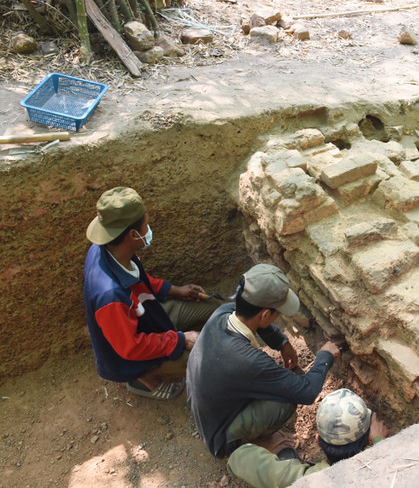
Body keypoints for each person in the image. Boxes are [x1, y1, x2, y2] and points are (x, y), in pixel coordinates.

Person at [187, 264, 341, 459]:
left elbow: (260, 324)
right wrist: (324, 357)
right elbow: (307, 391)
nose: (278, 317)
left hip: (208, 408)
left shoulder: (223, 313)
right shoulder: (248, 361)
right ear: (266, 314)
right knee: (285, 401)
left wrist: (282, 343)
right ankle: (254, 441)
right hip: (221, 438)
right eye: (277, 312)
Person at [83, 187, 221, 400]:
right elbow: (131, 347)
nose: (148, 230)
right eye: (146, 225)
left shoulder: (109, 249)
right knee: (212, 356)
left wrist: (174, 290)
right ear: (132, 234)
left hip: (146, 315)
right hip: (129, 353)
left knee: (214, 308)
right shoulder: (110, 296)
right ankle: (144, 377)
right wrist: (180, 340)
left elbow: (139, 279)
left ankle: (162, 357)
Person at [226, 388, 389, 488]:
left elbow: (238, 458)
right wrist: (381, 444)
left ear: (318, 440)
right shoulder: (380, 476)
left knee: (285, 457)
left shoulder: (303, 481)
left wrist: (263, 445)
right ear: (368, 440)